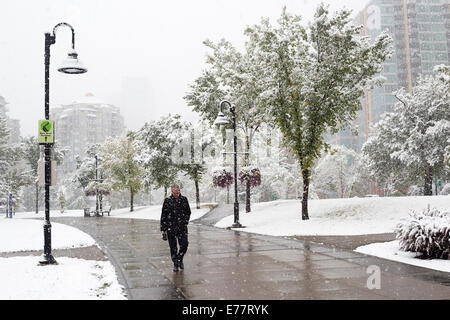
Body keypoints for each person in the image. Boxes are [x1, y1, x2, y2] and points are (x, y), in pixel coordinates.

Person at [161, 184, 191, 272]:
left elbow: (188, 212)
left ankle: (179, 259)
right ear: (172, 192)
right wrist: (163, 229)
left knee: (184, 245)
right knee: (173, 248)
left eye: (177, 192)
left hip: (182, 227)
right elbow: (164, 215)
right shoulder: (167, 201)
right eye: (174, 192)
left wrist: (185, 221)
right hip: (171, 228)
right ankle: (175, 264)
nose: (176, 194)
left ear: (179, 191)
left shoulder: (184, 199)